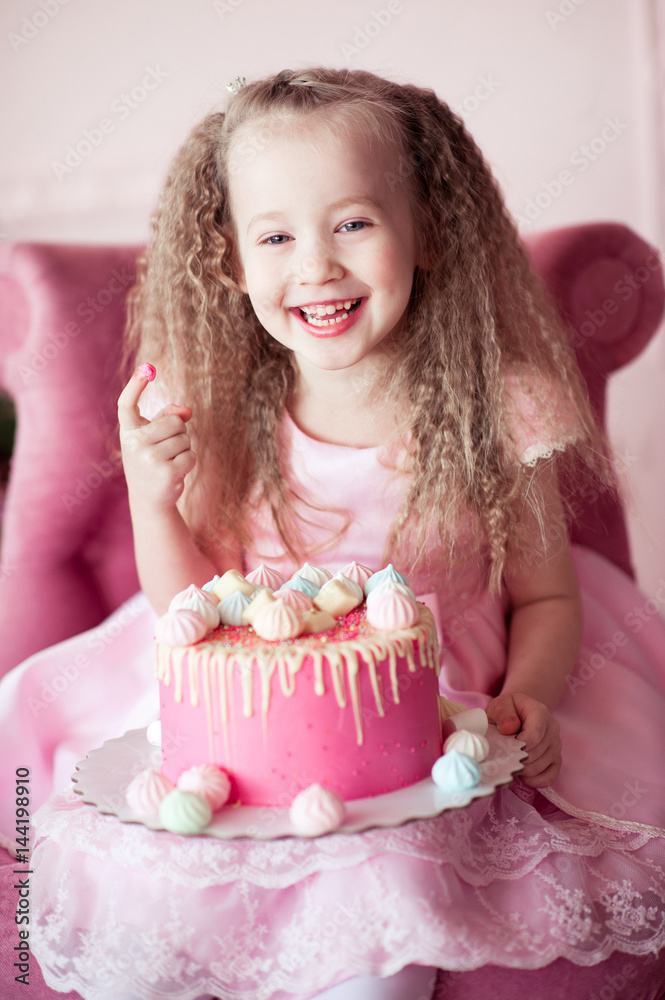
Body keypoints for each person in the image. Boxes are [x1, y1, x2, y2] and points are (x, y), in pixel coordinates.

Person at [2, 66, 665, 999]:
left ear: (427, 229)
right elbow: (187, 606)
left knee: (385, 918)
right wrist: (153, 501)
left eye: (353, 222)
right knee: (153, 898)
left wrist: (531, 699)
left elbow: (549, 594)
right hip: (249, 706)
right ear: (233, 262)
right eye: (275, 236)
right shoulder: (228, 410)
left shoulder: (500, 406)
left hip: (436, 703)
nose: (314, 266)